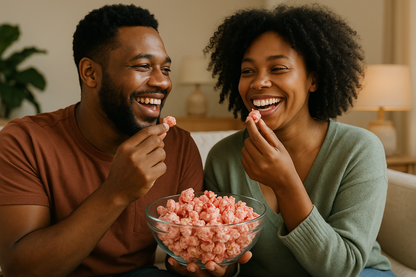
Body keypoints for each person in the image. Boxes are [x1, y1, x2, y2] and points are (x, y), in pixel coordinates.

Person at [0, 4, 204, 277]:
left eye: (165, 69)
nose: (162, 82)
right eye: (143, 66)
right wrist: (116, 191)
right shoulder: (24, 142)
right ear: (90, 73)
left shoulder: (179, 146)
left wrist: (211, 264)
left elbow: (190, 256)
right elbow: (21, 270)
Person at [199, 4, 395, 277]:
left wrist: (286, 182)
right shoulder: (224, 157)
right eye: (247, 71)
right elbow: (227, 260)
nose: (259, 82)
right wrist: (213, 264)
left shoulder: (359, 149)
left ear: (312, 79)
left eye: (278, 68)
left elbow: (342, 269)